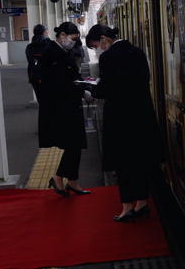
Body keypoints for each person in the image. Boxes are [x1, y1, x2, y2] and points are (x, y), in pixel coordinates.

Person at [85, 23, 161, 222]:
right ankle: (142, 203)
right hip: (142, 115)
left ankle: (127, 206)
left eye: (95, 45)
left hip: (120, 119)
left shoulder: (108, 58)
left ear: (104, 39)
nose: (97, 50)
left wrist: (89, 89)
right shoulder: (137, 52)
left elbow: (105, 91)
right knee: (140, 161)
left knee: (123, 164)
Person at [40, 22, 91, 196]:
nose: (74, 43)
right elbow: (60, 81)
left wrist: (86, 83)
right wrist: (82, 91)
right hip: (61, 106)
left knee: (76, 143)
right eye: (73, 39)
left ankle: (72, 181)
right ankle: (58, 177)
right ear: (62, 35)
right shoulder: (51, 52)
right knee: (73, 143)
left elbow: (72, 76)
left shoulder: (62, 51)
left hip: (70, 102)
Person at [25, 25, 50, 95]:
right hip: (50, 76)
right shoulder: (50, 45)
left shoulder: (29, 47)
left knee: (40, 98)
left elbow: (29, 59)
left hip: (34, 75)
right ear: (44, 33)